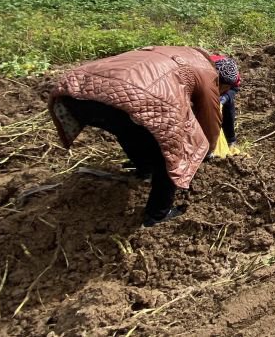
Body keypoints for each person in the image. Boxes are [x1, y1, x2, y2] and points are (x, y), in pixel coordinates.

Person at [48, 46, 240, 227]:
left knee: (127, 128)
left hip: (76, 92)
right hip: (132, 96)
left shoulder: (181, 52)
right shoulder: (207, 74)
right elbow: (210, 117)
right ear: (221, 83)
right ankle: (158, 213)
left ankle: (144, 169)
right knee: (174, 152)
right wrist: (208, 149)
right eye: (225, 90)